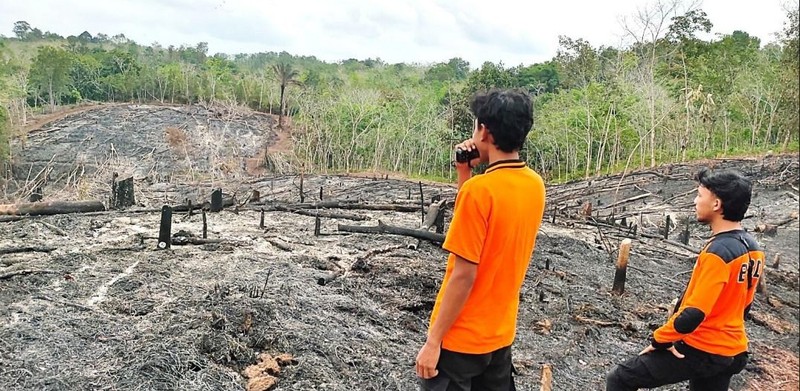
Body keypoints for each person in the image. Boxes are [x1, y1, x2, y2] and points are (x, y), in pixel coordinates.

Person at [414, 88, 546, 390]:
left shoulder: (481, 192)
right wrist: (465, 175)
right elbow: (483, 234)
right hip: (499, 336)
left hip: (460, 341)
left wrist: (433, 342)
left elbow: (464, 273)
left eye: (475, 127)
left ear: (484, 131)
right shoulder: (534, 185)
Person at [606, 167, 765, 391]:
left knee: (620, 378)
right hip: (734, 351)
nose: (695, 201)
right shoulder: (753, 247)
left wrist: (660, 339)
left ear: (716, 205)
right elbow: (745, 306)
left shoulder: (718, 252)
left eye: (700, 195)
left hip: (704, 350)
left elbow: (694, 313)